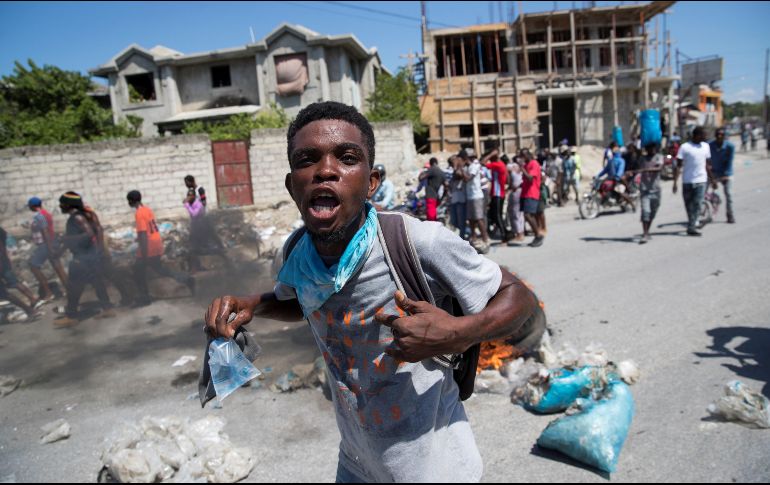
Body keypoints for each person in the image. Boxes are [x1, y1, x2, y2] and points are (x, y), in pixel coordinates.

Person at [204, 101, 540, 483]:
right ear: (291, 183)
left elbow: (519, 296)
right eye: (307, 160)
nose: (325, 170)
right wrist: (254, 305)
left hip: (434, 467)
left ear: (372, 181)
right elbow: (306, 302)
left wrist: (458, 334)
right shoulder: (296, 253)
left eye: (347, 158)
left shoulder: (418, 242)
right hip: (357, 462)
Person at [54, 192, 114, 327]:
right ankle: (108, 309)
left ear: (69, 205)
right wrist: (60, 250)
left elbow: (89, 234)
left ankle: (71, 316)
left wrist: (65, 239)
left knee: (73, 287)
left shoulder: (77, 218)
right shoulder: (80, 216)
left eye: (62, 203)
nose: (60, 206)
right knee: (97, 282)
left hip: (83, 258)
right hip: (90, 256)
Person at [127, 190, 194, 307]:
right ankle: (187, 279)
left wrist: (143, 254)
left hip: (149, 247)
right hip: (156, 242)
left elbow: (143, 234)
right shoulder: (146, 209)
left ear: (132, 201)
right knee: (159, 269)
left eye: (129, 201)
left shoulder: (139, 214)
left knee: (137, 271)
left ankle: (144, 297)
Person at [674, 126, 715, 237]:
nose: (706, 137)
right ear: (697, 135)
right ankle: (692, 223)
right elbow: (678, 165)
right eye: (704, 135)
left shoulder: (706, 147)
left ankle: (691, 226)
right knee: (689, 205)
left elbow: (707, 164)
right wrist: (675, 182)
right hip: (687, 181)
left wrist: (712, 179)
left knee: (697, 203)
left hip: (701, 180)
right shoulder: (685, 147)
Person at [27, 197, 68, 300]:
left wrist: (49, 248)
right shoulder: (47, 213)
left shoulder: (39, 216)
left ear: (32, 206)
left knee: (34, 266)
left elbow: (45, 231)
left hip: (45, 243)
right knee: (57, 266)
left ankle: (48, 293)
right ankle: (70, 289)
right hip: (52, 241)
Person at [184, 189, 232, 273]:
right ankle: (194, 267)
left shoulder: (198, 204)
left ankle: (226, 257)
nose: (189, 197)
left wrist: (187, 205)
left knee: (210, 242)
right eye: (188, 195)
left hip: (203, 224)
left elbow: (194, 214)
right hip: (196, 225)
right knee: (193, 247)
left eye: (191, 195)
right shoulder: (192, 203)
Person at [461, 149, 490, 254]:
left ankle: (485, 239)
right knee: (471, 219)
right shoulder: (467, 167)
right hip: (469, 196)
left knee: (479, 218)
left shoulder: (475, 166)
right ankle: (474, 238)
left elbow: (468, 178)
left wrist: (461, 168)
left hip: (477, 196)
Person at [637, 144, 664, 244]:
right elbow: (636, 165)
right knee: (645, 211)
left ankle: (647, 231)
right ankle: (644, 234)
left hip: (656, 189)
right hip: (644, 189)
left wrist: (646, 170)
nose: (651, 150)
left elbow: (659, 168)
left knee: (653, 212)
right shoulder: (642, 159)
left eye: (653, 148)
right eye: (649, 148)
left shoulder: (659, 157)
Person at [482, 147, 511, 242]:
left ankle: (504, 236)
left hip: (498, 194)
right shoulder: (498, 164)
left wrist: (491, 155)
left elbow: (482, 162)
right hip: (496, 193)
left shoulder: (498, 164)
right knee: (495, 215)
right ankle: (506, 233)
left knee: (497, 216)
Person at [517, 149, 544, 247]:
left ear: (528, 155)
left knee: (528, 215)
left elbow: (530, 178)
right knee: (527, 215)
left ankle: (538, 235)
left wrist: (521, 168)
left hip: (532, 193)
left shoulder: (534, 164)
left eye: (523, 156)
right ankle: (537, 234)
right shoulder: (526, 165)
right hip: (525, 193)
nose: (522, 158)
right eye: (521, 156)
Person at [708, 127, 736, 224]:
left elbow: (729, 162)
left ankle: (730, 215)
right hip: (714, 172)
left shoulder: (730, 146)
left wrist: (726, 176)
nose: (719, 136)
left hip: (726, 174)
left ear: (724, 136)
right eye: (717, 134)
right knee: (703, 190)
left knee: (728, 194)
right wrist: (711, 176)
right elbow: (707, 160)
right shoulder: (710, 145)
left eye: (721, 134)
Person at [418, 157, 447, 222]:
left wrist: (423, 173)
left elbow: (421, 178)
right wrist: (442, 197)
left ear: (431, 163)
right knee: (433, 216)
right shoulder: (442, 172)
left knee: (431, 219)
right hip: (436, 197)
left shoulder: (432, 169)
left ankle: (432, 231)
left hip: (430, 196)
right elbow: (446, 186)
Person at [506, 155, 525, 244]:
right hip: (518, 191)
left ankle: (519, 234)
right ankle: (520, 232)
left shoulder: (514, 167)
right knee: (518, 213)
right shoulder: (519, 168)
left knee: (515, 213)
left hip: (516, 192)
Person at [449, 156, 468, 239]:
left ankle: (463, 237)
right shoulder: (454, 170)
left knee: (461, 221)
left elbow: (458, 175)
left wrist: (456, 165)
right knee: (454, 221)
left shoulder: (461, 169)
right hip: (454, 198)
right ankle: (466, 232)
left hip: (460, 199)